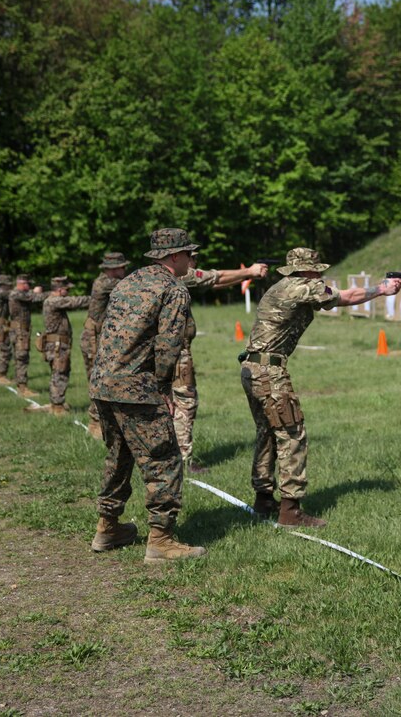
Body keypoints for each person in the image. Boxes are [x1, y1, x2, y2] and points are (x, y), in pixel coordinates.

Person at [240, 248, 401, 527]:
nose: (320, 274)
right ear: (306, 270)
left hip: (253, 368)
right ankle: (290, 511)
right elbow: (345, 297)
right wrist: (382, 289)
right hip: (269, 372)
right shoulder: (302, 287)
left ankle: (264, 498)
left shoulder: (283, 285)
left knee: (267, 432)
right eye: (316, 269)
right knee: (292, 434)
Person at [89, 228, 204, 562]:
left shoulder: (128, 282)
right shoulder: (174, 289)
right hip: (136, 387)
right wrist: (164, 388)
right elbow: (168, 345)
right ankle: (161, 540)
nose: (192, 260)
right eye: (188, 254)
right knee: (164, 459)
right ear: (173, 256)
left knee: (119, 455)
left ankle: (107, 527)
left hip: (102, 383)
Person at [176, 255, 269, 473]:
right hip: (176, 355)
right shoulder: (180, 275)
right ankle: (182, 461)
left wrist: (247, 275)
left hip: (168, 352)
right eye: (192, 257)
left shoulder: (161, 276)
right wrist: (249, 272)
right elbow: (215, 276)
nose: (195, 262)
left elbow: (215, 282)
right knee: (184, 404)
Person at [81, 253, 130, 437]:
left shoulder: (107, 281)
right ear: (112, 268)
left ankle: (105, 421)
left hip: (99, 337)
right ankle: (95, 423)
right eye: (122, 267)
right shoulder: (105, 283)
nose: (125, 270)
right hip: (93, 340)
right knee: (98, 380)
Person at [28, 277, 89, 415]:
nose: (68, 292)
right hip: (57, 345)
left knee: (59, 373)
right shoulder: (54, 301)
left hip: (58, 344)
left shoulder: (52, 300)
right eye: (67, 289)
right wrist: (95, 299)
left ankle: (57, 402)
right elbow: (75, 302)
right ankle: (57, 406)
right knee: (59, 374)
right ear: (60, 289)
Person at [8, 275, 46, 397]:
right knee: (22, 358)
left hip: (19, 330)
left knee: (19, 357)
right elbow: (32, 298)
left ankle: (20, 383)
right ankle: (23, 388)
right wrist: (51, 294)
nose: (29, 286)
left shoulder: (17, 293)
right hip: (20, 332)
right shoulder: (17, 294)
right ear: (22, 284)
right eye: (27, 284)